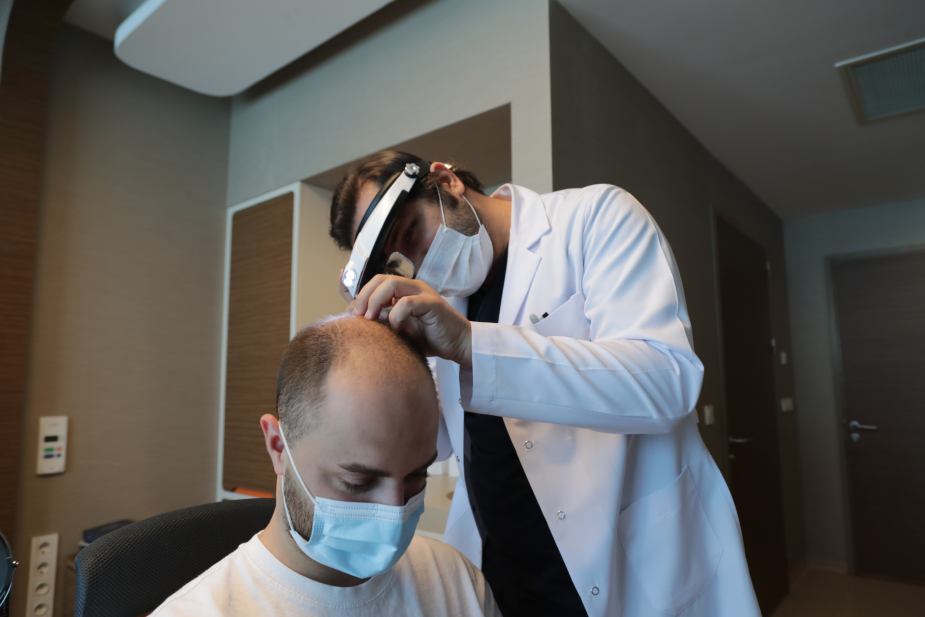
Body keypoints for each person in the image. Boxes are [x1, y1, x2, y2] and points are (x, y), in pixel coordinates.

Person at [329, 151, 761, 617]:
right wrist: (388, 353)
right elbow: (439, 443)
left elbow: (666, 381)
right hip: (507, 579)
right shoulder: (441, 305)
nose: (419, 260)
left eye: (413, 232)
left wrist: (472, 345)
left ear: (446, 181)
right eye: (399, 259)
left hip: (630, 572)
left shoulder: (595, 218)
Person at [151, 316, 501, 617]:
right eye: (357, 481)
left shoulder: (457, 583)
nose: (393, 512)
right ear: (277, 446)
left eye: (415, 477)